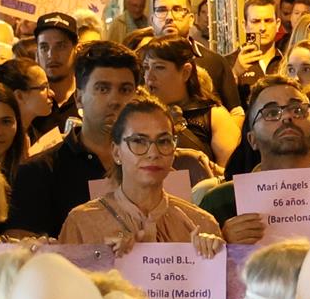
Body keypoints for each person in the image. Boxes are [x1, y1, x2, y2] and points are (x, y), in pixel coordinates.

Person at [194, 80, 310, 241]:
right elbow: (197, 272)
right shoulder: (220, 204)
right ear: (252, 139)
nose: (287, 117)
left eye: (298, 110)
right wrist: (223, 244)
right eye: (271, 113)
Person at [7, 40, 142, 241]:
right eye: (103, 89)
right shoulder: (37, 172)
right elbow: (22, 251)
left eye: (125, 90)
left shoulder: (153, 166)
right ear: (79, 98)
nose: (115, 100)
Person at [61, 94, 221, 248]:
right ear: (116, 152)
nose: (153, 153)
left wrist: (212, 254)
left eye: (164, 141)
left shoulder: (201, 224)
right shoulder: (82, 224)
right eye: (139, 141)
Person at [138, 35, 241, 165]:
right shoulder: (138, 117)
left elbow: (230, 177)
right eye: (146, 68)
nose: (149, 76)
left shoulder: (213, 116)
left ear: (186, 72)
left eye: (159, 67)